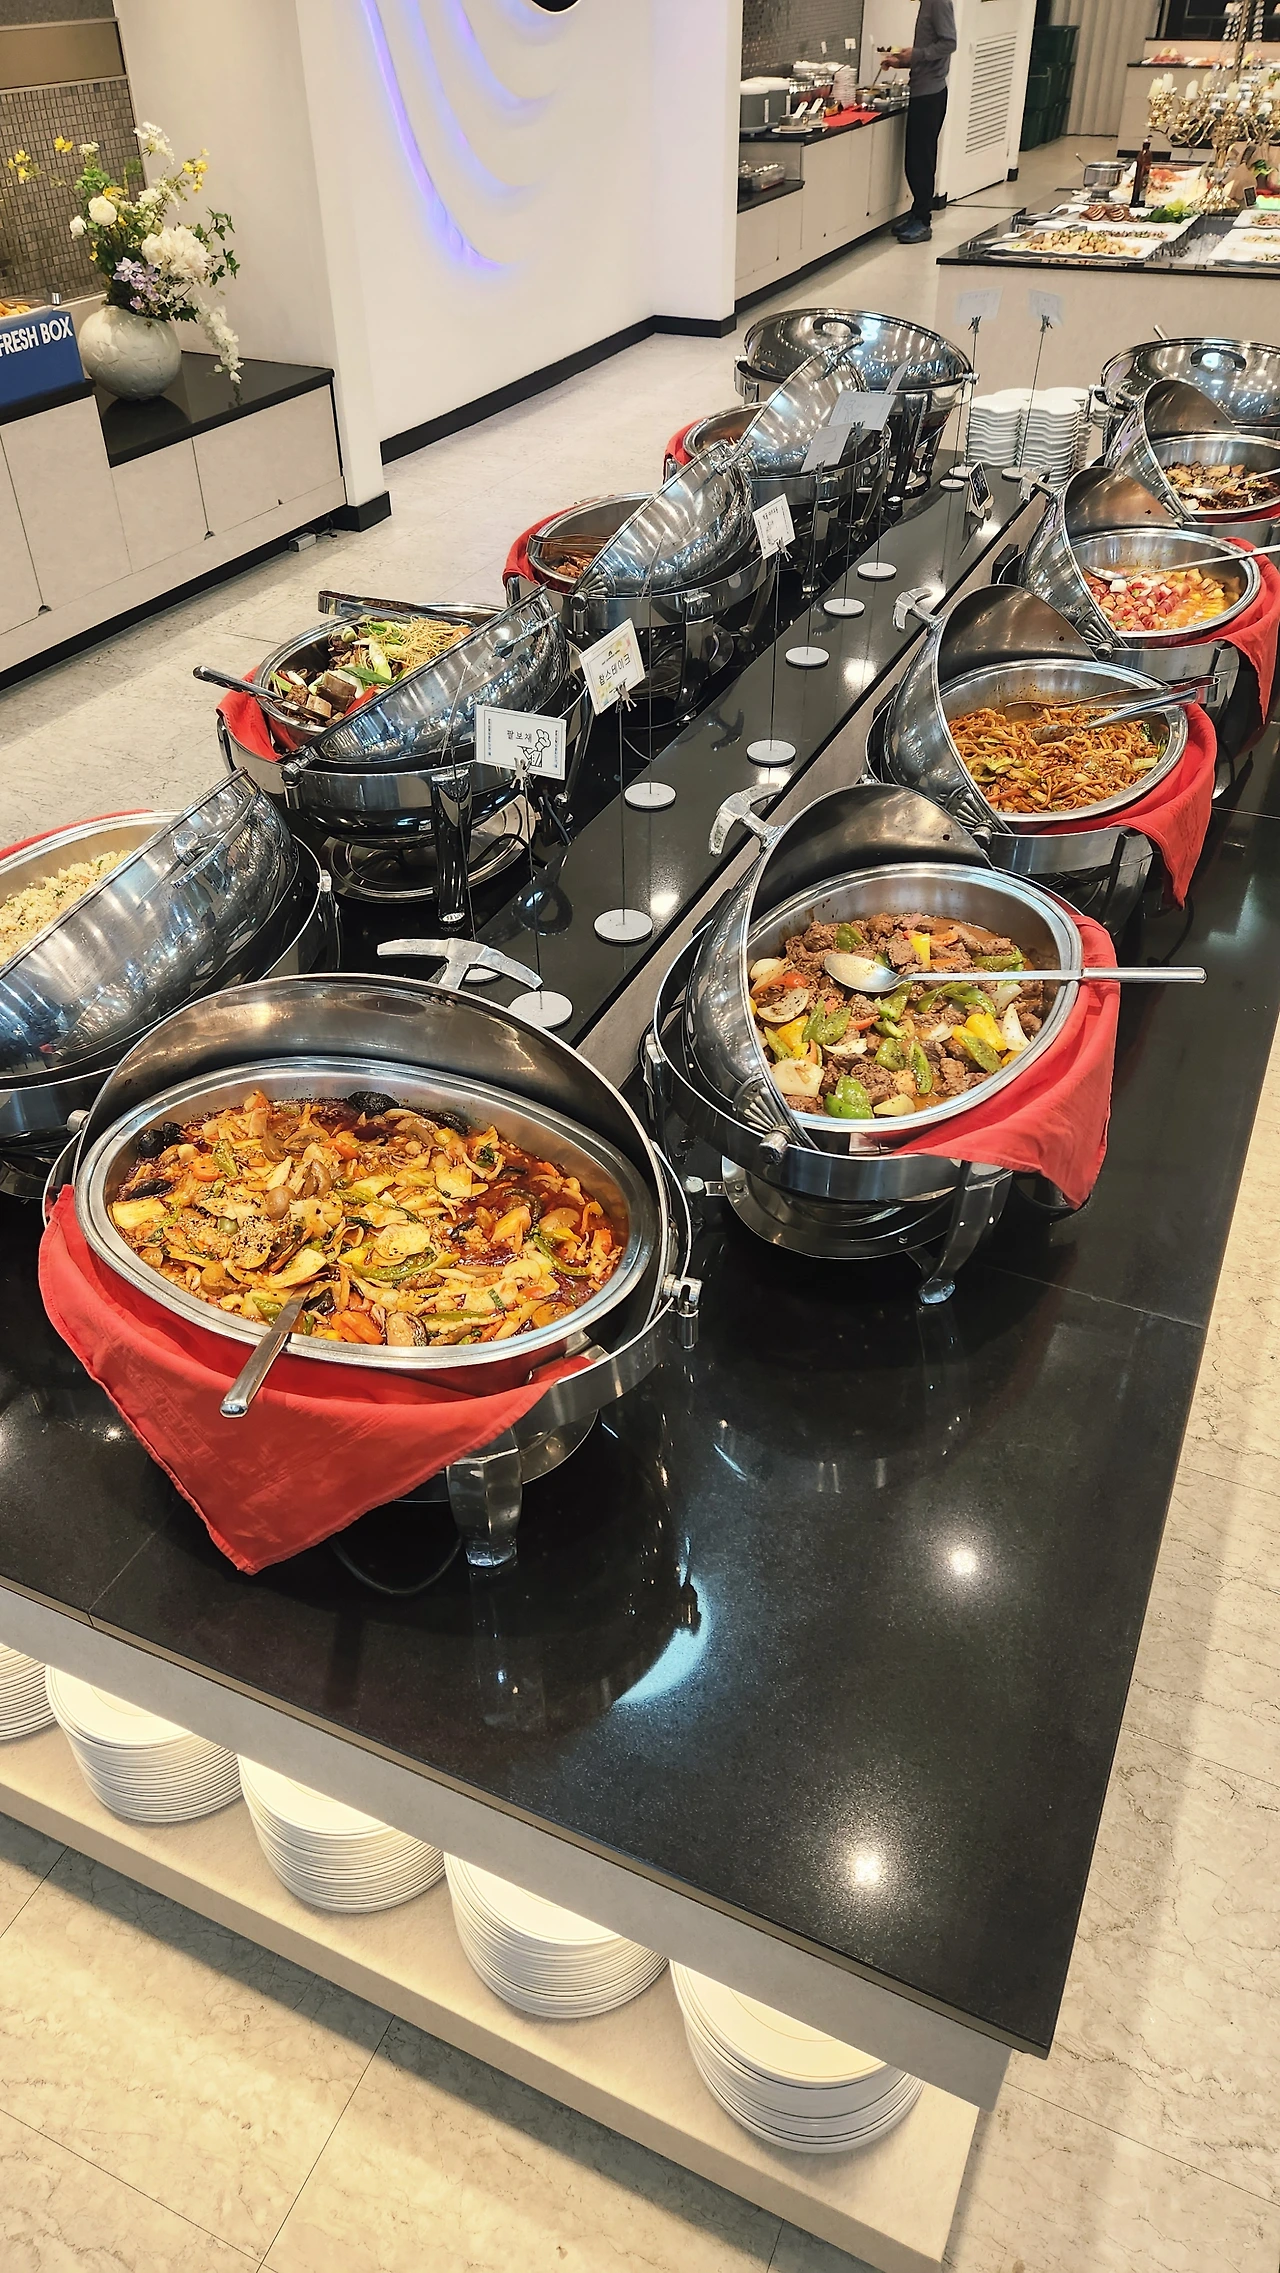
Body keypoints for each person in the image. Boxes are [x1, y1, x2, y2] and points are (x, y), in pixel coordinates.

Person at [881, 0, 957, 244]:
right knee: (913, 160)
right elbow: (929, 46)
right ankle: (916, 213)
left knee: (921, 160)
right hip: (921, 90)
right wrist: (904, 60)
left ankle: (923, 220)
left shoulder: (938, 2)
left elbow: (949, 42)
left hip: (930, 93)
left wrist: (917, 54)